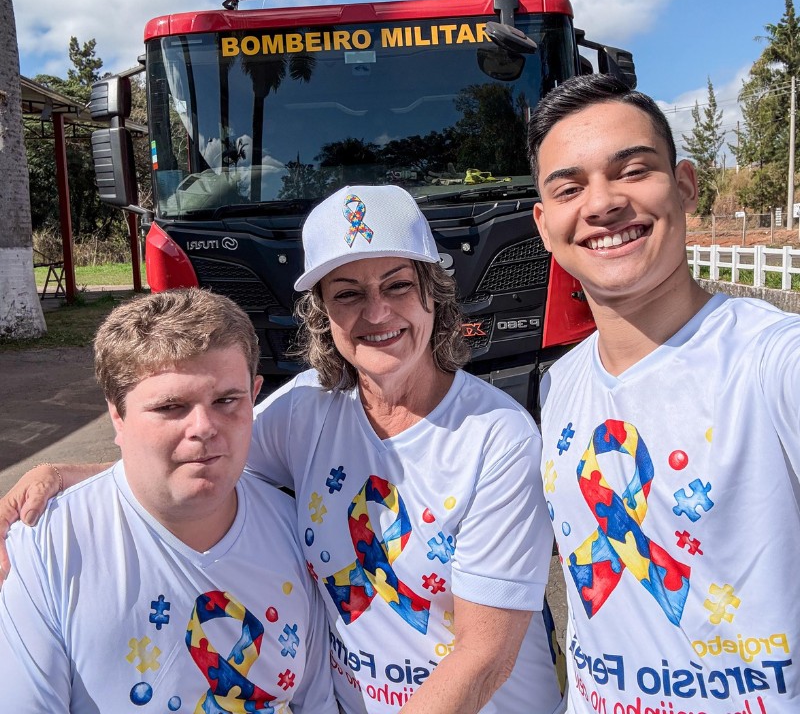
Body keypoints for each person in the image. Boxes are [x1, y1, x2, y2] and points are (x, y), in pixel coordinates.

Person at [0, 185, 565, 714]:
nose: (376, 313)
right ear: (323, 315)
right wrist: (64, 474)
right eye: (348, 294)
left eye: (397, 286)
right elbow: (200, 453)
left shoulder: (496, 437)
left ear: (432, 295)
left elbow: (484, 656)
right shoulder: (307, 408)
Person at [528, 73, 800, 713]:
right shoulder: (561, 382)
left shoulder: (772, 363)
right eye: (569, 188)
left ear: (684, 186)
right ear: (544, 224)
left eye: (632, 171)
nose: (602, 204)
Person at [0, 289, 337, 713]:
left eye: (226, 401)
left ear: (254, 396)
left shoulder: (294, 527)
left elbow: (316, 702)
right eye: (171, 407)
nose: (204, 427)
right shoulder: (48, 547)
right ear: (117, 416)